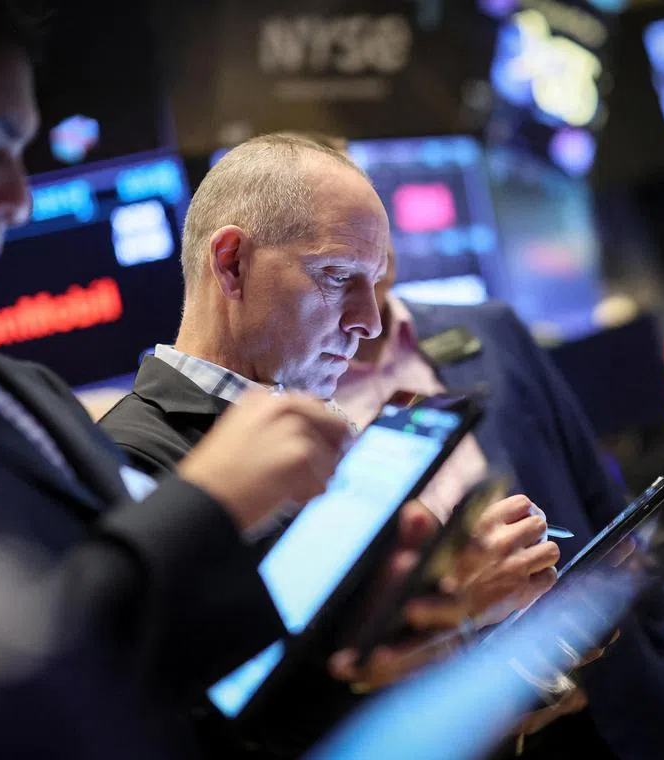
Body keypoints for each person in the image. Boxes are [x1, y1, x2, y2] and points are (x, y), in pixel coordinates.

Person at [0, 5, 360, 757]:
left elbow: (178, 692)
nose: (17, 199)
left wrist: (367, 652)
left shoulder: (12, 383)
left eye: (20, 149)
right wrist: (206, 510)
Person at [98, 133, 562, 754]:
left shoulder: (332, 427)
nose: (367, 320)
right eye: (338, 276)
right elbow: (208, 727)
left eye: (373, 282)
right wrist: (453, 613)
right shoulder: (128, 465)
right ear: (231, 262)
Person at [332, 246, 664, 759]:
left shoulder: (490, 329)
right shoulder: (298, 394)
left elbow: (594, 490)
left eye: (374, 237)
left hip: (612, 692)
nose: (368, 259)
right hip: (472, 728)